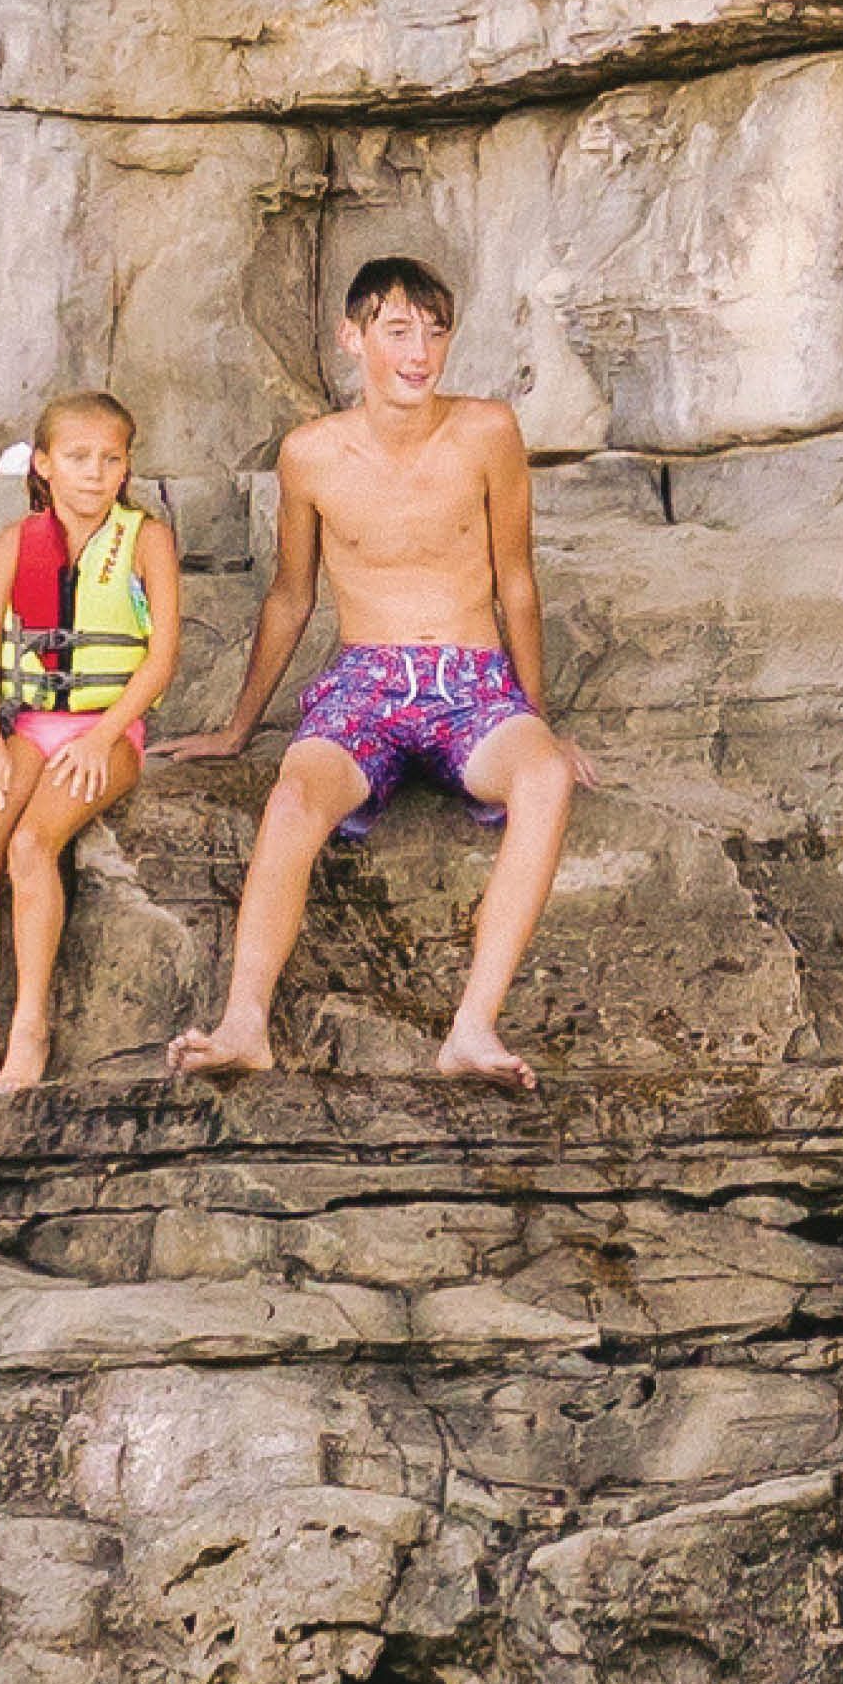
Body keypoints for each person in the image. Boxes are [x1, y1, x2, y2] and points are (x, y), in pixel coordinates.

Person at [162, 258, 593, 1090]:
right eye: (398, 331)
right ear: (351, 338)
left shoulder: (487, 432)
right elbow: (290, 595)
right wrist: (238, 727)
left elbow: (517, 582)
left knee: (542, 775)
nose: (419, 352)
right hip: (364, 681)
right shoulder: (310, 455)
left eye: (435, 332)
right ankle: (244, 1021)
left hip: (471, 680)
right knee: (292, 793)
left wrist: (538, 719)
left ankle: (472, 1026)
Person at [0, 392, 183, 1096]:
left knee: (29, 844)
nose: (94, 473)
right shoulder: (18, 541)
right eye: (77, 458)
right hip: (29, 727)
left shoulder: (146, 539)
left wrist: (105, 734)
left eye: (110, 459)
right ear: (45, 465)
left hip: (108, 730)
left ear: (125, 468)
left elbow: (162, 655)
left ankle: (29, 1028)